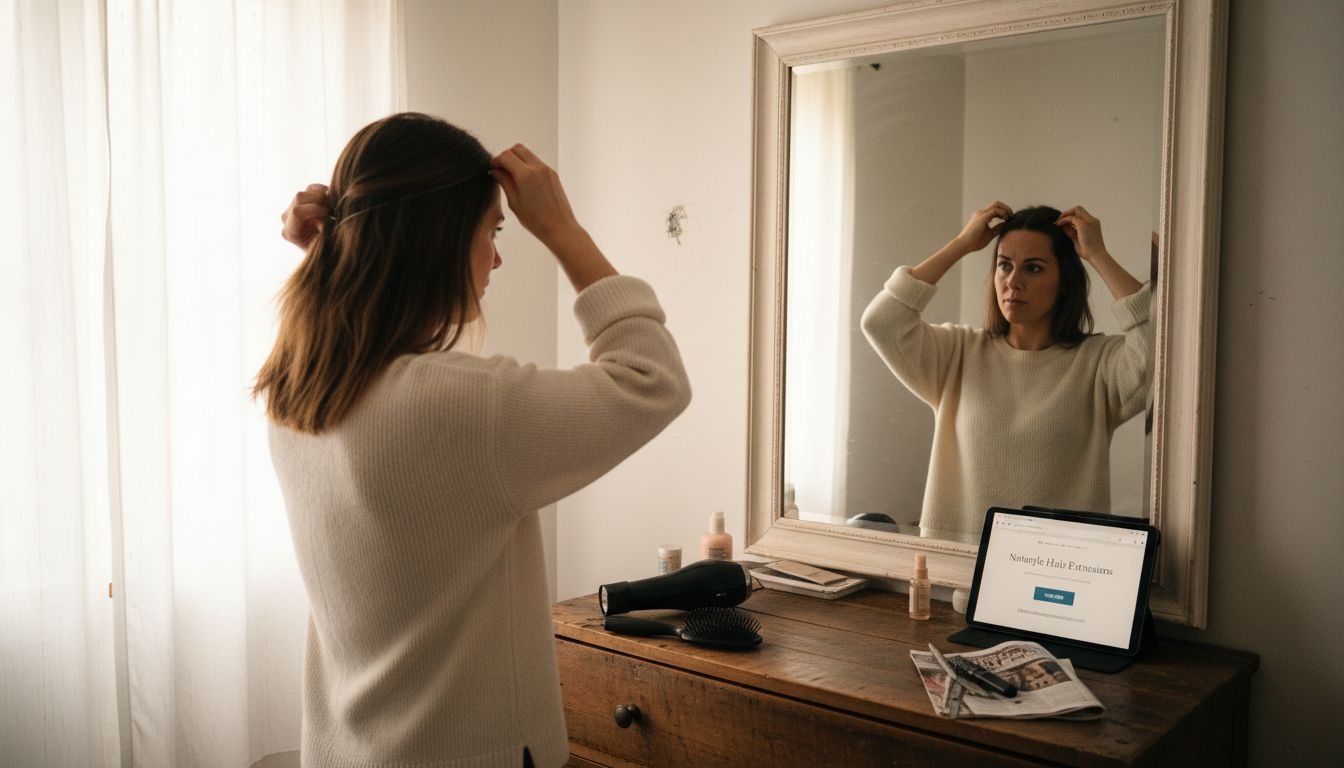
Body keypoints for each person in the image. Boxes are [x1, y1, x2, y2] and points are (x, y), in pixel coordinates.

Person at [254, 112, 691, 768]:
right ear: (439, 241)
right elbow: (653, 380)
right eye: (492, 230)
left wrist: (330, 254)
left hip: (346, 750)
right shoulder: (458, 408)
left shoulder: (298, 387)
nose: (498, 256)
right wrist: (562, 230)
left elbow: (354, 318)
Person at [860, 201, 1151, 541]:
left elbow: (1166, 352)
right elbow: (881, 322)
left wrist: (1098, 254)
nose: (1014, 281)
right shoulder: (958, 353)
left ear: (1065, 282)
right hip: (959, 578)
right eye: (1004, 266)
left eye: (1034, 268)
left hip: (1060, 580)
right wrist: (961, 244)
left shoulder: (1099, 364)